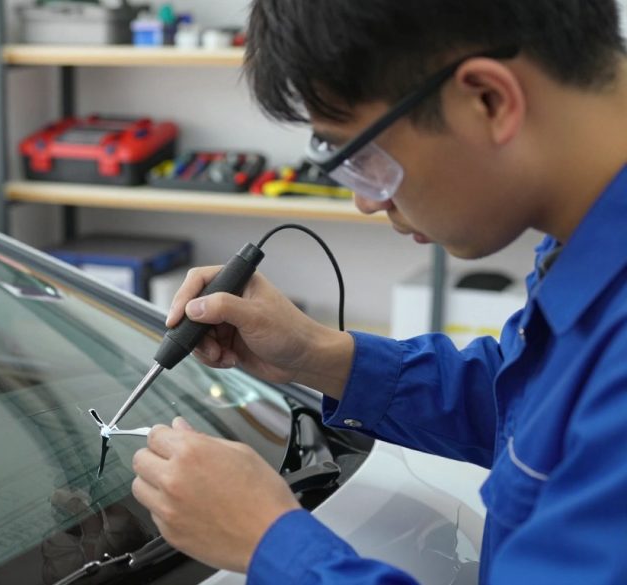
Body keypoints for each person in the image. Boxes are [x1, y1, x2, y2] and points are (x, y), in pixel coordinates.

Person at [129, 0, 627, 582]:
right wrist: (320, 355)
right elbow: (539, 411)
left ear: (487, 101)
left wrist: (269, 541)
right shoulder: (584, 240)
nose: (366, 200)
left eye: (362, 157)